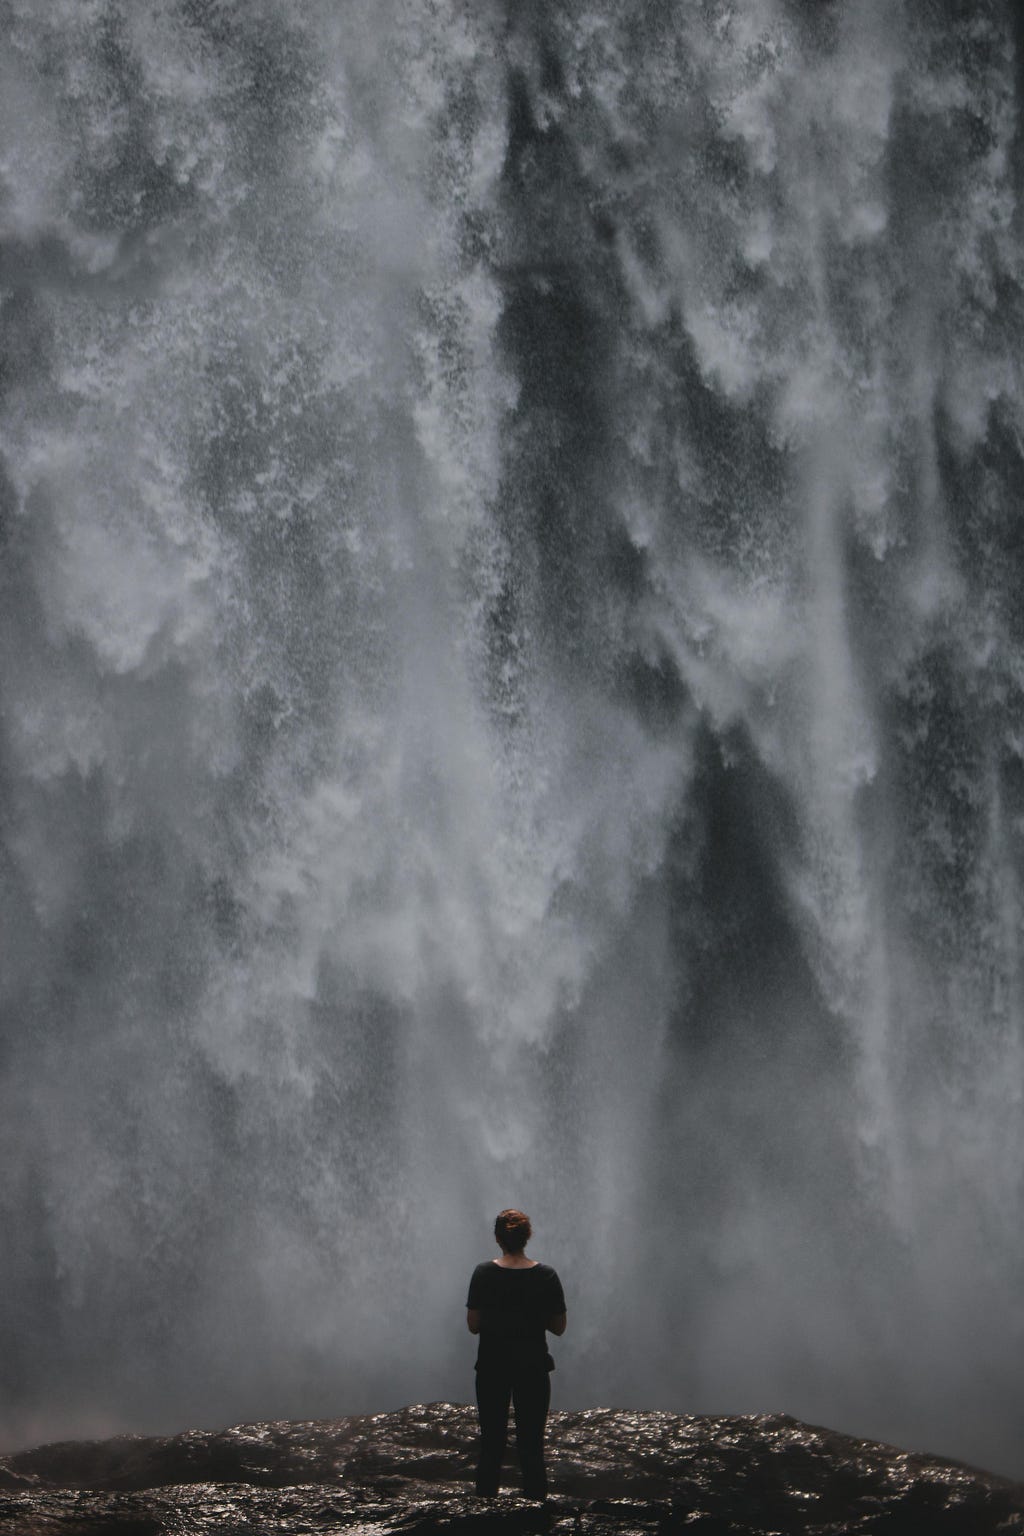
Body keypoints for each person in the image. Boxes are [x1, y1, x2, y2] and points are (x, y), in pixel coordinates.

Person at [466, 1208, 567, 1501]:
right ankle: (536, 1518)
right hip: (533, 1367)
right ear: (527, 1236)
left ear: (498, 1238)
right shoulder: (547, 1275)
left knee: (491, 1445)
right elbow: (559, 1327)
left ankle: (484, 1517)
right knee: (532, 1445)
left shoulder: (483, 1273)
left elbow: (473, 1325)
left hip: (492, 1367)